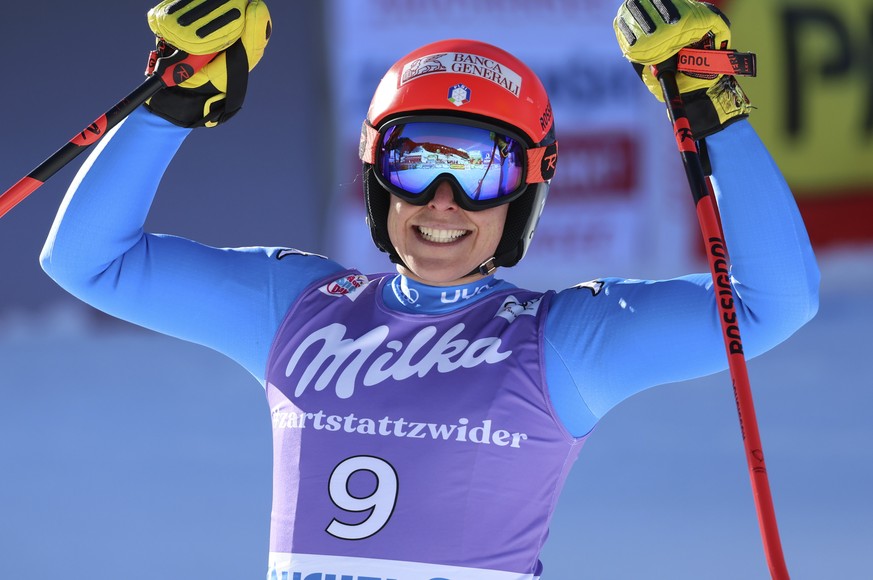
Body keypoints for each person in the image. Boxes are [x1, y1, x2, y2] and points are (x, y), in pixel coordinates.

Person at [40, 0, 820, 578]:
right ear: (379, 177)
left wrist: (718, 117)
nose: (443, 200)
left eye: (483, 169)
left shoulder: (566, 340)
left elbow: (773, 301)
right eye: (417, 162)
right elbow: (87, 261)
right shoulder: (296, 308)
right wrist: (167, 106)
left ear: (527, 194)